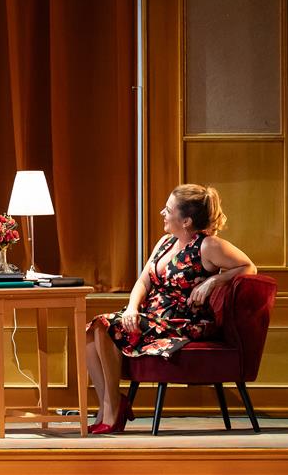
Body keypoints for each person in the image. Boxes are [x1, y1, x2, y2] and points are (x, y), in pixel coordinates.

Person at [86, 184, 256, 434]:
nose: (162, 213)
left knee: (104, 325)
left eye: (168, 209)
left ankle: (112, 410)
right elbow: (143, 281)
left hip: (183, 320)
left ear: (186, 221)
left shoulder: (208, 246)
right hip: (152, 315)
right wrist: (132, 307)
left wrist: (213, 281)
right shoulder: (165, 242)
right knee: (91, 330)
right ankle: (109, 405)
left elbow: (249, 267)